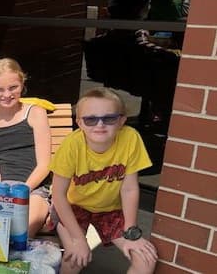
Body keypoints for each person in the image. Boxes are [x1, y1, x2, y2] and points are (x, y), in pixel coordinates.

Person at [49, 87, 158, 273]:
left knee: (146, 260)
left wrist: (131, 231)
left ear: (122, 121)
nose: (99, 125)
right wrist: (78, 240)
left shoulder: (130, 138)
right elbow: (58, 195)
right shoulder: (72, 145)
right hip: (73, 207)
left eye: (109, 118)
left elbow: (129, 189)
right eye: (90, 119)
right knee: (76, 257)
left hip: (110, 210)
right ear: (79, 123)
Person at [0, 58, 52, 238]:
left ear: (22, 84)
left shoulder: (35, 113)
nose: (7, 94)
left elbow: (44, 164)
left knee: (22, 232)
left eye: (13, 87)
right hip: (2, 190)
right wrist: (1, 193)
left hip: (34, 188)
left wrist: (24, 190)